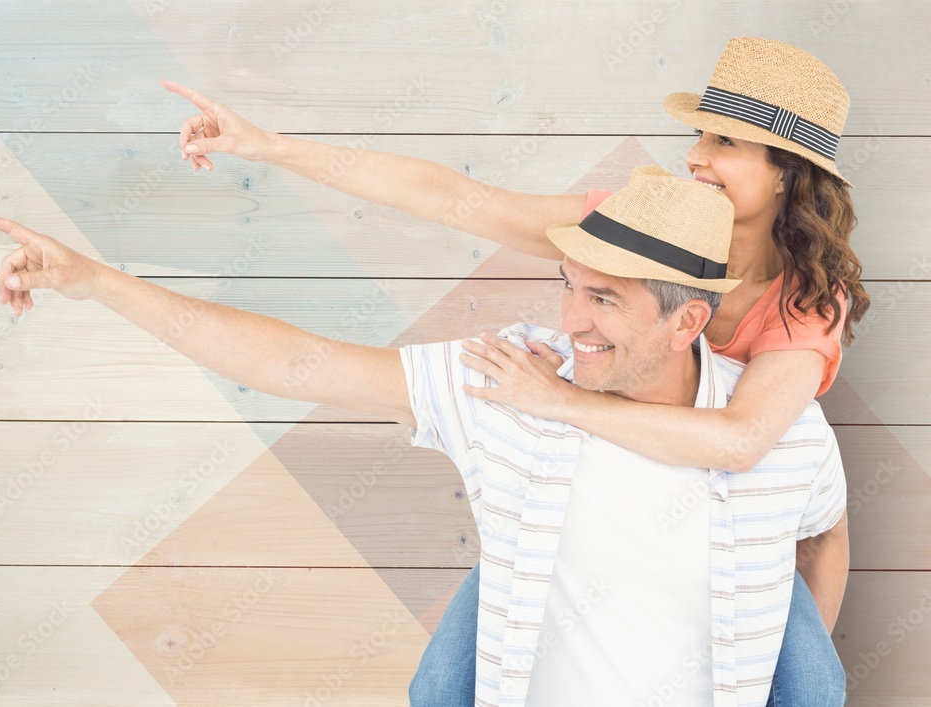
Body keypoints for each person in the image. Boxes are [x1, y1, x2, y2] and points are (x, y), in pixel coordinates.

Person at [160, 36, 865, 706]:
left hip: (720, 515)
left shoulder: (807, 297)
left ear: (785, 174)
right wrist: (266, 146)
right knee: (442, 685)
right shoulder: (635, 227)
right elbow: (447, 198)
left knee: (809, 685)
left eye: (724, 142)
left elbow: (741, 442)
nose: (695, 154)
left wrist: (558, 401)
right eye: (701, 134)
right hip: (596, 487)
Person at [0, 165, 847, 706]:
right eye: (568, 286)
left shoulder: (783, 430)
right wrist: (95, 282)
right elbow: (296, 363)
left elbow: (825, 534)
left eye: (604, 300)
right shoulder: (507, 378)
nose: (568, 320)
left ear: (688, 319)